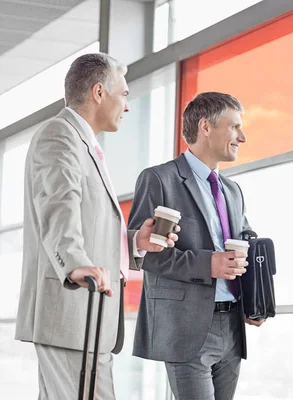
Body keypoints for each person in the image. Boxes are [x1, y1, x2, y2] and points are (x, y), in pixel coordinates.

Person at [14, 52, 179, 400]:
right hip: (72, 311)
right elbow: (58, 205)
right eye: (124, 95)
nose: (128, 106)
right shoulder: (60, 135)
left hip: (89, 318)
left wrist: (135, 242)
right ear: (99, 92)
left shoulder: (84, 142)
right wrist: (75, 265)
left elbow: (90, 220)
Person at [128, 91, 264, 400]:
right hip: (186, 328)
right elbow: (146, 256)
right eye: (234, 127)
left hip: (232, 326)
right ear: (206, 126)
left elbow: (246, 246)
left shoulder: (232, 190)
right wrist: (209, 264)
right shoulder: (159, 179)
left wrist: (257, 299)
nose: (242, 137)